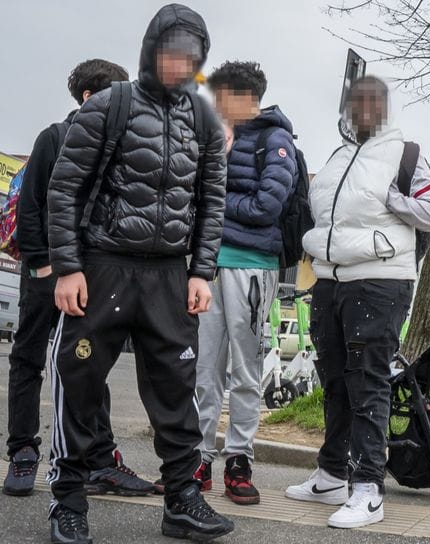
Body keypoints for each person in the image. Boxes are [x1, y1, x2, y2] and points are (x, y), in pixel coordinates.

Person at [45, 4, 234, 542]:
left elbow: (211, 202)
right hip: (102, 268)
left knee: (176, 391)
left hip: (170, 277)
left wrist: (202, 273)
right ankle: (68, 500)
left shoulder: (202, 118)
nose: (182, 63)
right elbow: (64, 188)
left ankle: (182, 500)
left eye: (192, 56)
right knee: (79, 383)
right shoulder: (110, 104)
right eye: (174, 51)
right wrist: (67, 267)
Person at [286, 76, 430, 529]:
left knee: (368, 383)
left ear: (386, 107)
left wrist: (394, 200)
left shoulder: (406, 154)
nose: (363, 110)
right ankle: (332, 474)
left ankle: (369, 489)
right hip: (329, 280)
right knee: (334, 380)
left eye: (373, 102)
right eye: (356, 102)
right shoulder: (338, 156)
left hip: (380, 281)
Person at [3, 60, 154, 499]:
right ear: (89, 97)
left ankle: (99, 460)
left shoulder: (118, 146)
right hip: (47, 273)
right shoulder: (54, 137)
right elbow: (32, 208)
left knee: (89, 368)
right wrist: (44, 267)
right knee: (29, 359)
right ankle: (23, 453)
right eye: (114, 96)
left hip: (92, 276)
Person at [192, 60, 296, 506]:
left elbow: (266, 206)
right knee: (203, 369)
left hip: (252, 268)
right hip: (207, 268)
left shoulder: (276, 140)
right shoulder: (212, 136)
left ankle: (239, 459)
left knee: (245, 371)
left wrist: (214, 198)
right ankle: (197, 458)